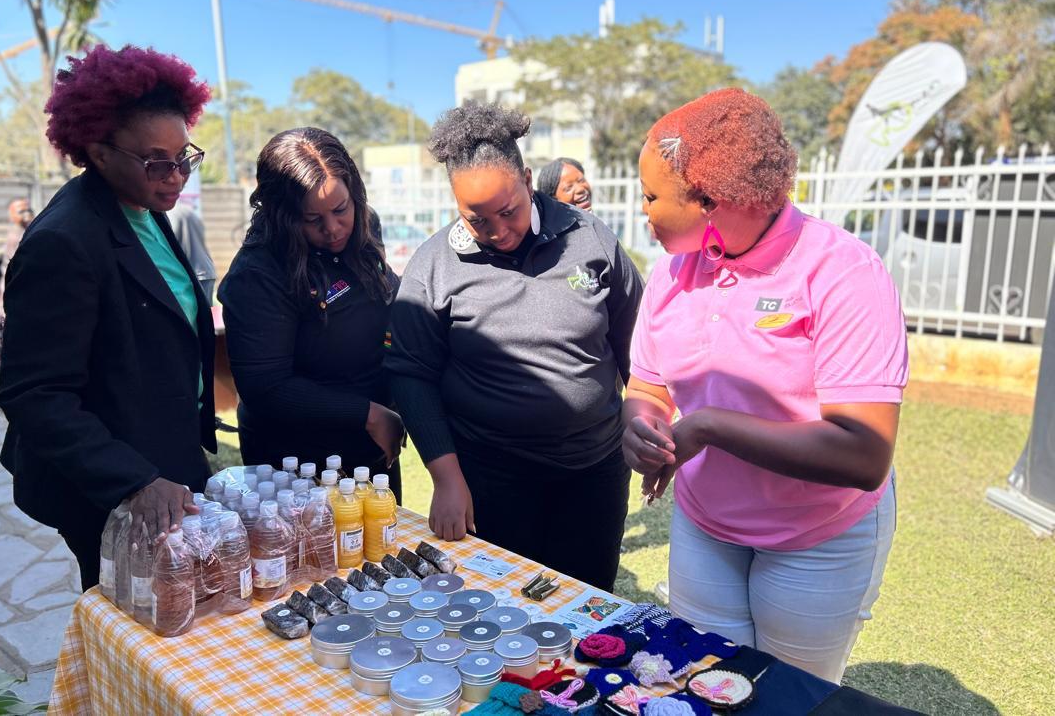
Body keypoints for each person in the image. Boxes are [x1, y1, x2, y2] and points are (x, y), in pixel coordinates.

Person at [623, 88, 908, 682]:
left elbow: (864, 453)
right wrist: (642, 425)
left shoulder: (842, 271)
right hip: (706, 522)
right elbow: (647, 387)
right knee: (703, 679)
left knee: (787, 694)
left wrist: (708, 427)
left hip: (817, 534)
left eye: (652, 196)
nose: (643, 212)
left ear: (711, 201)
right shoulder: (672, 273)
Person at [385, 102, 643, 591]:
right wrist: (446, 477)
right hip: (490, 476)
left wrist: (643, 421)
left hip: (593, 473)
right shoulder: (434, 265)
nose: (497, 232)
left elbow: (638, 345)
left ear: (527, 180)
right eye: (476, 219)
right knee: (503, 610)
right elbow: (410, 373)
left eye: (508, 212)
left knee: (586, 605)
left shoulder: (590, 239)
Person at [0, 45, 216, 590]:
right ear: (97, 152)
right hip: (110, 488)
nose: (176, 175)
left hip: (168, 454)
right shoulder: (63, 243)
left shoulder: (143, 206)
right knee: (135, 625)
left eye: (184, 155)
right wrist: (136, 482)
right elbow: (35, 395)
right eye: (156, 161)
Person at [218, 128, 404, 495]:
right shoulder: (258, 274)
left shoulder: (364, 228)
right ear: (282, 215)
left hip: (373, 441)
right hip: (296, 460)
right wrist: (367, 414)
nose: (333, 229)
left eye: (341, 209)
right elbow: (265, 387)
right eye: (311, 219)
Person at [0, 197, 34, 365]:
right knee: (7, 326)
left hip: (23, 291)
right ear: (12, 215)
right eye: (21, 211)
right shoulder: (15, 236)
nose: (27, 214)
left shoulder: (31, 229)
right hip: (12, 291)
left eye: (28, 209)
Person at [166, 199, 217, 304]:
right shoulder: (187, 211)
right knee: (205, 316)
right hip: (205, 271)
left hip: (189, 275)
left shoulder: (167, 214)